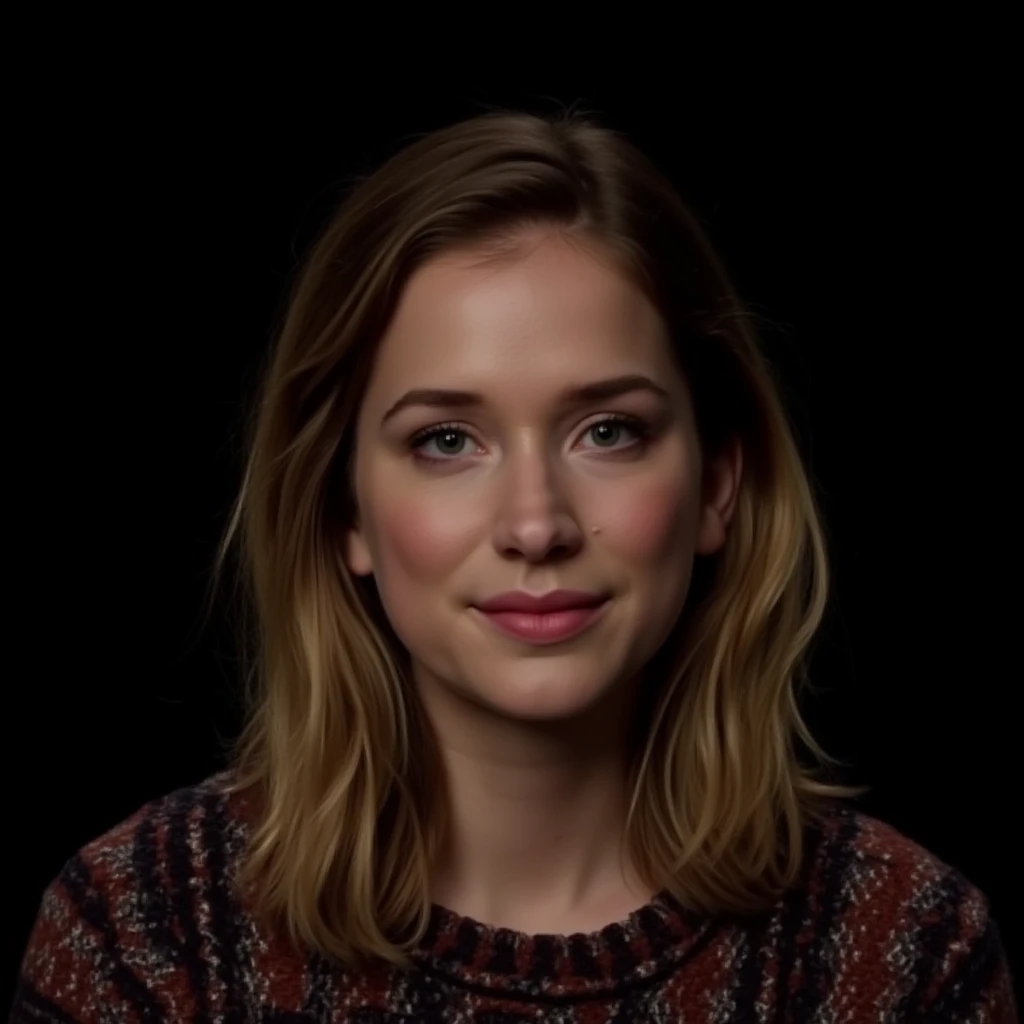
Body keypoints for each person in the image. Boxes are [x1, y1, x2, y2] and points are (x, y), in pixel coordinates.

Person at [11, 108, 1018, 1023]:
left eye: (608, 430)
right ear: (341, 509)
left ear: (716, 484)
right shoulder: (144, 929)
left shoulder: (905, 947)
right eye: (447, 440)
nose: (535, 525)